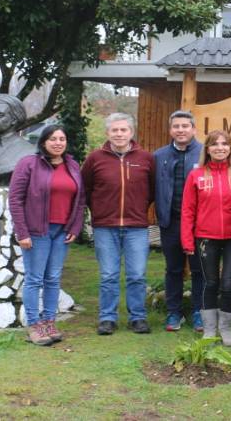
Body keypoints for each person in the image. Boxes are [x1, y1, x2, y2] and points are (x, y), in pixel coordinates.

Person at [8, 125, 85, 345]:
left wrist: (75, 227)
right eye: (53, 139)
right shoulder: (28, 164)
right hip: (36, 231)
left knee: (53, 278)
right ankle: (33, 325)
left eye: (62, 138)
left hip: (62, 231)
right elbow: (15, 199)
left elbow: (80, 200)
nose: (58, 143)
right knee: (34, 279)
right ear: (43, 142)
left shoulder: (72, 166)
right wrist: (21, 232)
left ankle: (49, 322)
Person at [81, 113, 155, 336]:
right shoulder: (95, 158)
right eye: (115, 130)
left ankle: (138, 317)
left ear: (131, 132)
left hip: (137, 226)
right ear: (108, 133)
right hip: (105, 226)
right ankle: (107, 318)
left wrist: (139, 208)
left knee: (137, 275)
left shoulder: (145, 158)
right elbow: (86, 189)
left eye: (123, 130)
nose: (119, 134)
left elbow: (152, 190)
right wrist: (99, 212)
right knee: (108, 275)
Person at [180, 130, 231, 347]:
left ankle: (225, 328)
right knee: (210, 282)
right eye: (215, 144)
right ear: (207, 149)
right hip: (205, 238)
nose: (220, 148)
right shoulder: (197, 175)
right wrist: (187, 241)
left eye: (224, 144)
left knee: (228, 284)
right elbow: (188, 210)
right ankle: (209, 329)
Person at [154, 110, 205, 332]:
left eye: (185, 126)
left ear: (193, 129)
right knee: (173, 269)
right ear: (170, 130)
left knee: (200, 270)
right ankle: (174, 312)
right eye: (176, 126)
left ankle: (199, 312)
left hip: (200, 224)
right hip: (171, 223)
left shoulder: (205, 153)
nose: (181, 130)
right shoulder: (159, 156)